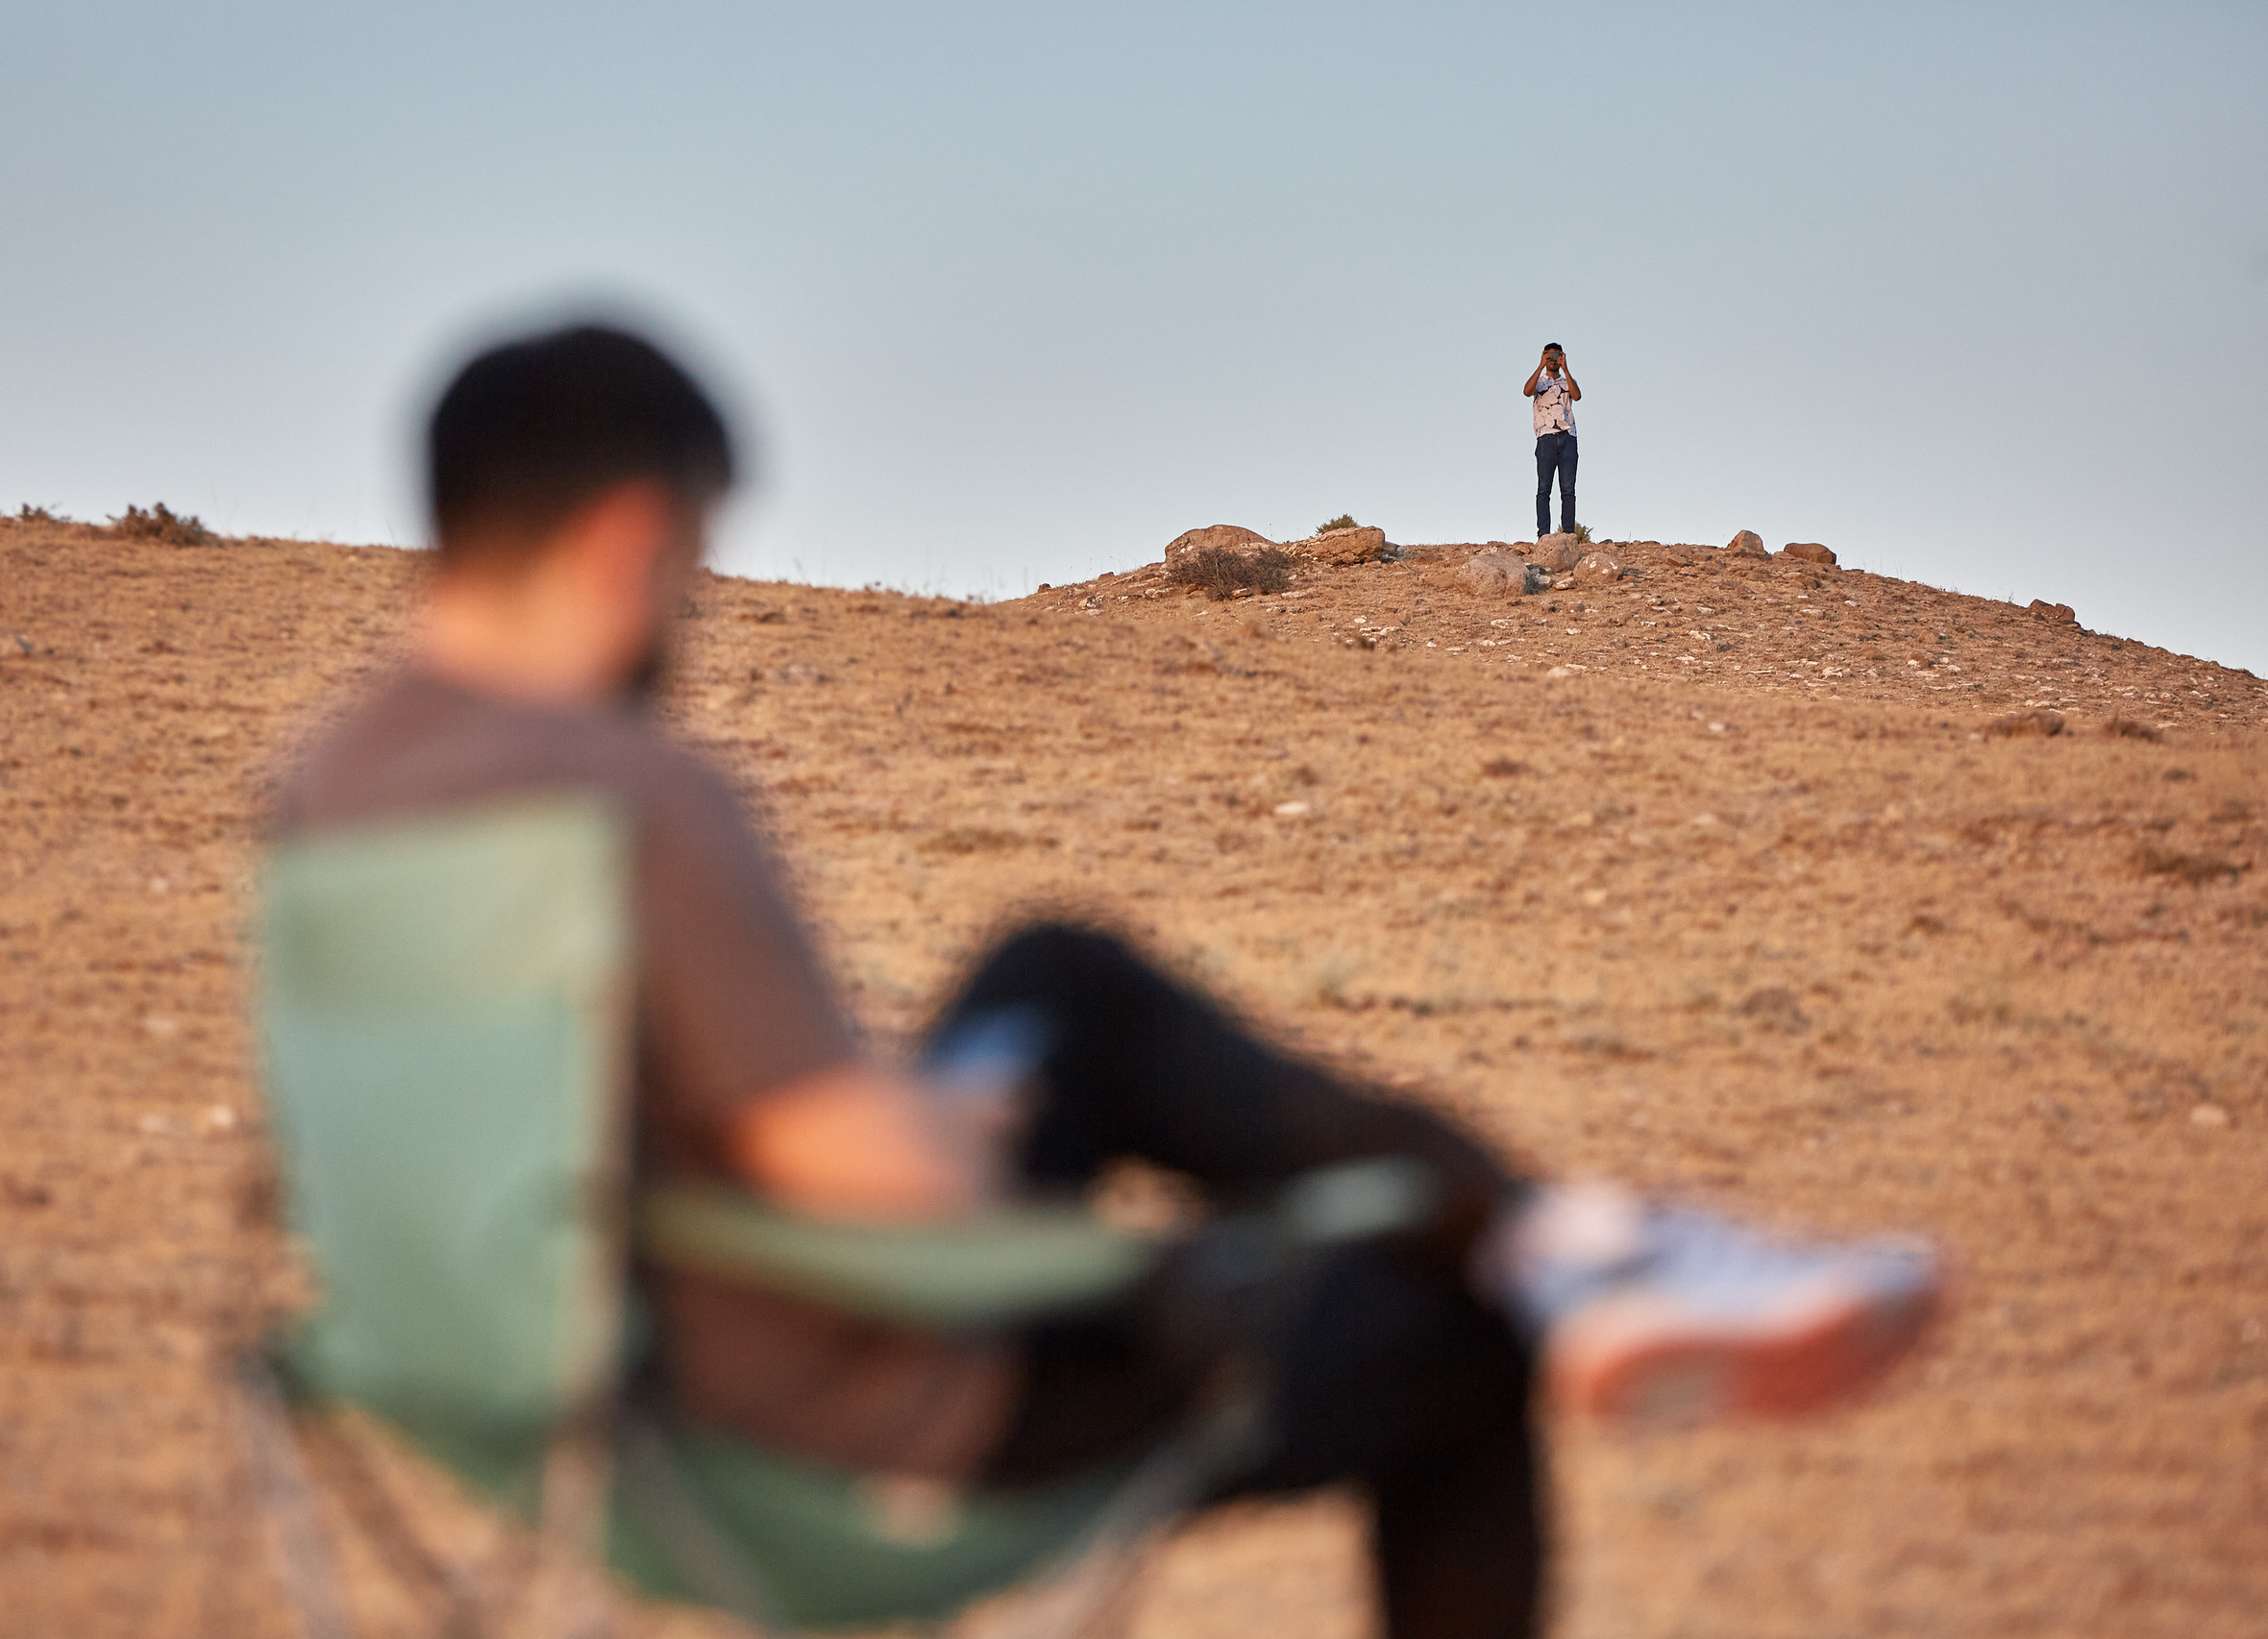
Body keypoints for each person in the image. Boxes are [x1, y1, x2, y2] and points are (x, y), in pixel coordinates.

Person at [272, 322, 1939, 1639]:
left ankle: (1570, 1242)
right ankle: (1562, 1254)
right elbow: (864, 1182)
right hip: (845, 1416)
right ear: (635, 531)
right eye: (697, 551)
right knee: (1457, 1338)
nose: (691, 599)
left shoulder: (326, 802)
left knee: (1052, 970)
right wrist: (967, 1126)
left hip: (555, 1397)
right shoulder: (623, 797)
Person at [1524, 342, 1581, 541]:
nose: (1553, 359)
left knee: (1568, 489)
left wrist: (1566, 369)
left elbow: (1577, 396)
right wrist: (1540, 365)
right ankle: (1544, 535)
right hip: (1545, 438)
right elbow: (1526, 391)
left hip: (1568, 437)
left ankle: (1569, 534)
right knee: (1544, 488)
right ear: (1544, 356)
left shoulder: (1567, 382)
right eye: (1550, 356)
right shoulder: (1539, 381)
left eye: (1556, 356)